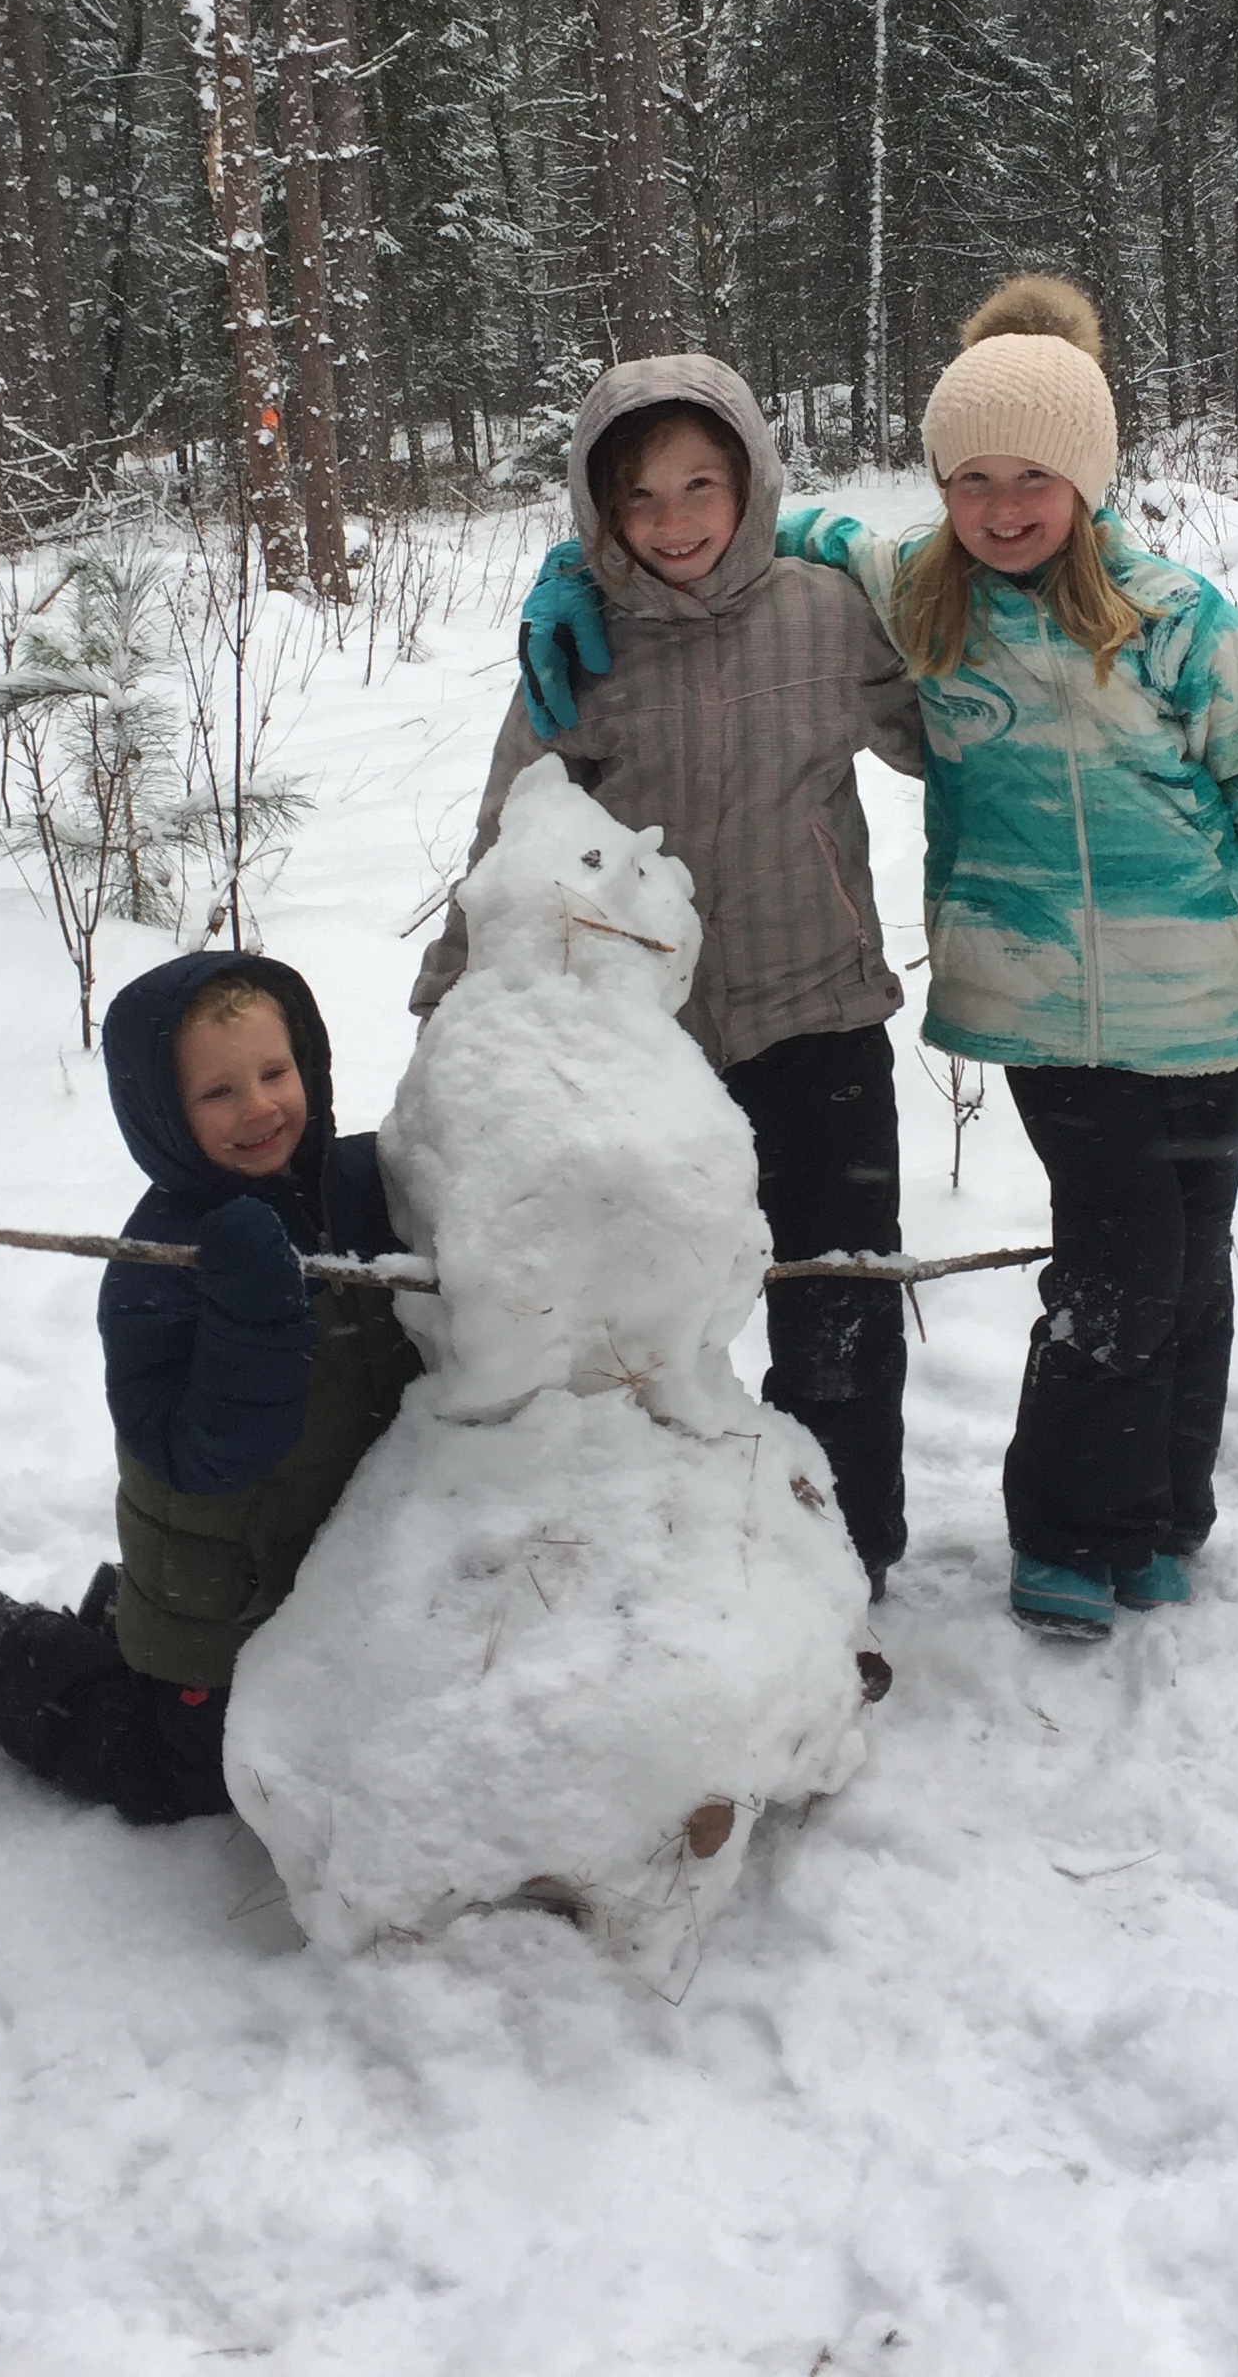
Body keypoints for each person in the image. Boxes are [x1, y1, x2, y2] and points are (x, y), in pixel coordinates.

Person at [519, 281, 1238, 1640]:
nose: (1003, 508)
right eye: (970, 479)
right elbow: (773, 515)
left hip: (1202, 995)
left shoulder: (1173, 617)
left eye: (1034, 478)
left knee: (1192, 1260)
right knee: (1121, 1261)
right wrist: (580, 564)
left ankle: (1160, 1513)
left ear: (1089, 477)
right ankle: (1073, 1530)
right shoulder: (917, 591)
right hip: (1035, 1000)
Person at [413, 354, 925, 1591]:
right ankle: (675, 1556)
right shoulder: (581, 639)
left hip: (821, 1011)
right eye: (638, 498)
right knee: (641, 1316)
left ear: (753, 481)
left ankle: (850, 1544)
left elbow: (944, 727)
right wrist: (452, 1004)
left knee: (838, 1298)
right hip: (639, 1046)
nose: (675, 520)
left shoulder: (822, 609)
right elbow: (513, 834)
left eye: (704, 484)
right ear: (598, 511)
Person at [0, 953, 419, 1820]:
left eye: (275, 1072)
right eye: (218, 1092)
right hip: (224, 1600)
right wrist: (252, 1318)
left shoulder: (361, 1187)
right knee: (181, 1771)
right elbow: (202, 1456)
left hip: (329, 1565)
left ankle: (115, 1621)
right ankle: (0, 1659)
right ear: (162, 1113)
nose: (261, 1107)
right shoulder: (155, 1266)